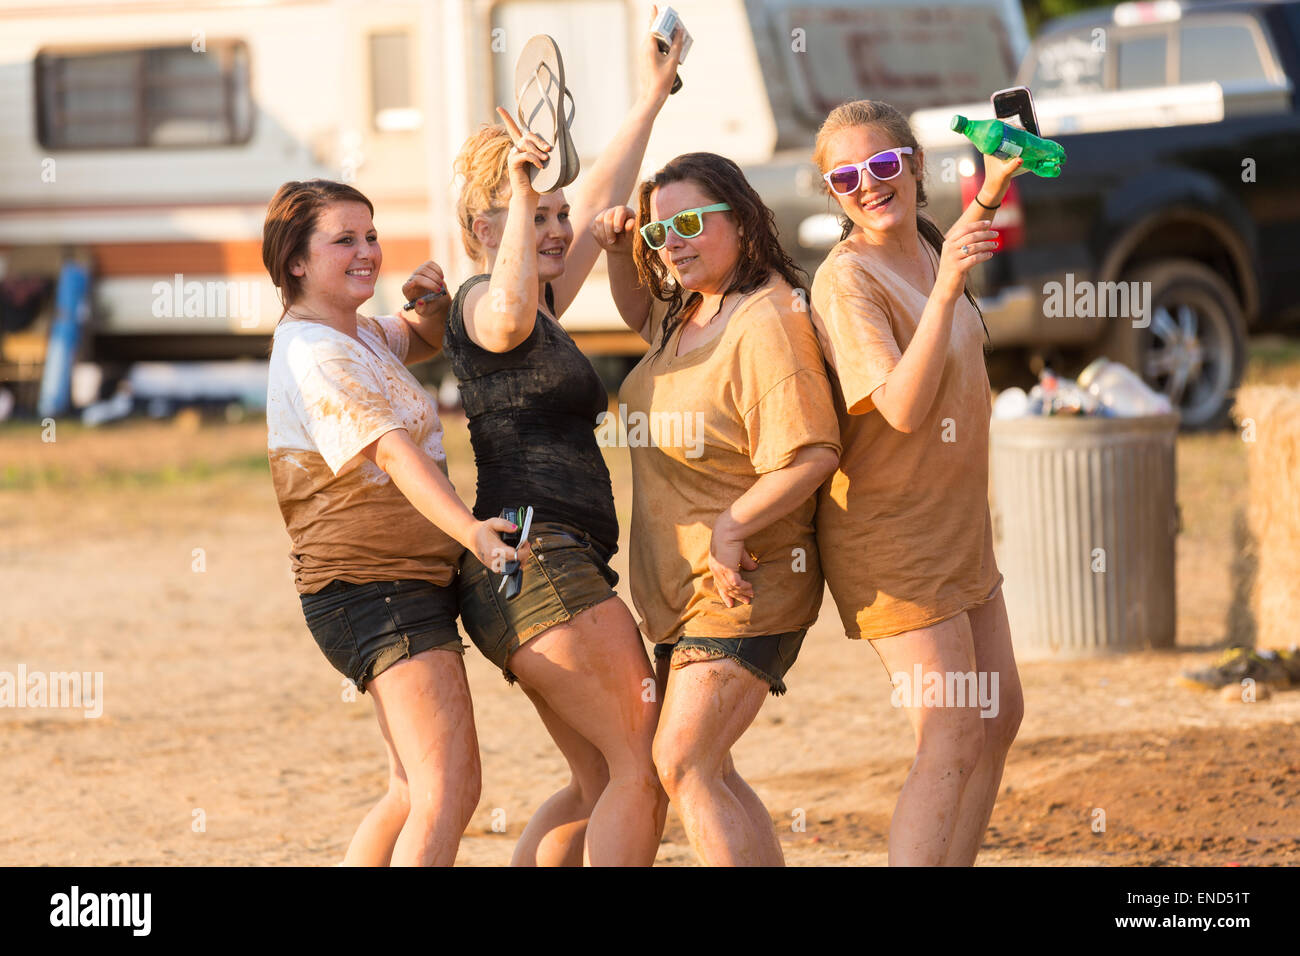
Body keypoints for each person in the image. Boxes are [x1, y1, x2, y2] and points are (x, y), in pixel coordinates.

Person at [440, 18, 685, 866]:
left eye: (553, 215)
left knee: (595, 782)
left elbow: (597, 187)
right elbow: (505, 314)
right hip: (538, 561)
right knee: (642, 769)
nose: (553, 229)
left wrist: (652, 95)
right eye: (529, 217)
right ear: (483, 224)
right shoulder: (483, 303)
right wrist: (517, 189)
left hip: (532, 568)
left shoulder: (540, 300)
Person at [262, 179, 521, 866]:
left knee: (412, 789)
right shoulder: (316, 352)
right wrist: (470, 530)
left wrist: (428, 303)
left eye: (370, 235)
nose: (366, 251)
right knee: (450, 789)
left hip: (384, 585)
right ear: (295, 261)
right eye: (343, 239)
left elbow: (417, 338)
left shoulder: (353, 333)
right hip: (373, 590)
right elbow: (394, 453)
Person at [594, 152, 841, 866]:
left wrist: (731, 528)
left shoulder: (765, 320)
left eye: (692, 223)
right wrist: (618, 252)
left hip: (746, 584)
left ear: (741, 218)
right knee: (712, 769)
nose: (672, 242)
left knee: (683, 763)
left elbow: (812, 452)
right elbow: (643, 317)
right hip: (682, 590)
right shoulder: (691, 313)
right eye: (658, 232)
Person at [809, 99, 1025, 865]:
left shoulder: (933, 250)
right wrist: (944, 292)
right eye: (846, 177)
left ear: (915, 164)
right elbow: (899, 408)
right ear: (830, 193)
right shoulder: (846, 281)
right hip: (892, 539)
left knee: (997, 717)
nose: (868, 185)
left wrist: (996, 183)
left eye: (884, 164)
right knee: (952, 731)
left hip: (958, 530)